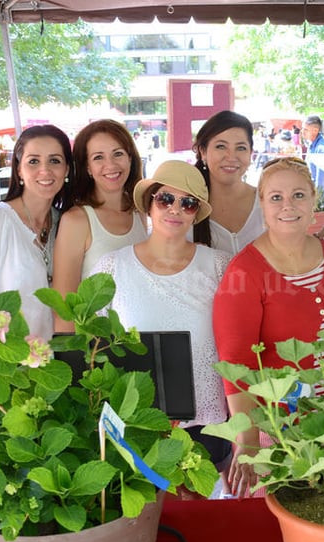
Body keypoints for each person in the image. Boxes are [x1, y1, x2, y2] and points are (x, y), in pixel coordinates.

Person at [213, 157, 324, 497]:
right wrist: (247, 440)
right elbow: (236, 362)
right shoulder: (245, 271)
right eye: (275, 197)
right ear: (261, 204)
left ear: (313, 201)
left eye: (298, 195)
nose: (287, 206)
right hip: (277, 427)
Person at [91, 160, 232, 484]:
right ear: (149, 204)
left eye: (188, 202)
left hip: (207, 427)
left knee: (201, 521)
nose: (175, 209)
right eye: (165, 199)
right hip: (134, 424)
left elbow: (236, 345)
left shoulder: (220, 266)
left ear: (196, 212)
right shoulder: (112, 266)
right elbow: (94, 345)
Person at [0, 125, 74, 341]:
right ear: (19, 169)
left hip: (57, 361)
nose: (45, 170)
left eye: (55, 161)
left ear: (66, 170)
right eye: (33, 161)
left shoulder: (66, 223)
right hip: (7, 363)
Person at [52, 119, 147, 332]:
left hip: (139, 338)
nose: (111, 165)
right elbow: (63, 309)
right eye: (98, 157)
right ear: (87, 167)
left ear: (130, 158)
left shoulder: (140, 211)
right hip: (97, 348)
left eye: (118, 154)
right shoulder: (76, 220)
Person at [191, 110, 263, 255]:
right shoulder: (184, 206)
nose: (231, 157)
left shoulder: (268, 202)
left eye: (241, 148)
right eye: (221, 146)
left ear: (251, 154)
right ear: (203, 151)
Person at [301, 115, 324, 198]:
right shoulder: (312, 145)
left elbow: (323, 180)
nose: (302, 132)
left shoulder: (321, 150)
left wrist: (317, 200)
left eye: (305, 129)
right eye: (302, 128)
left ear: (315, 130)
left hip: (320, 201)